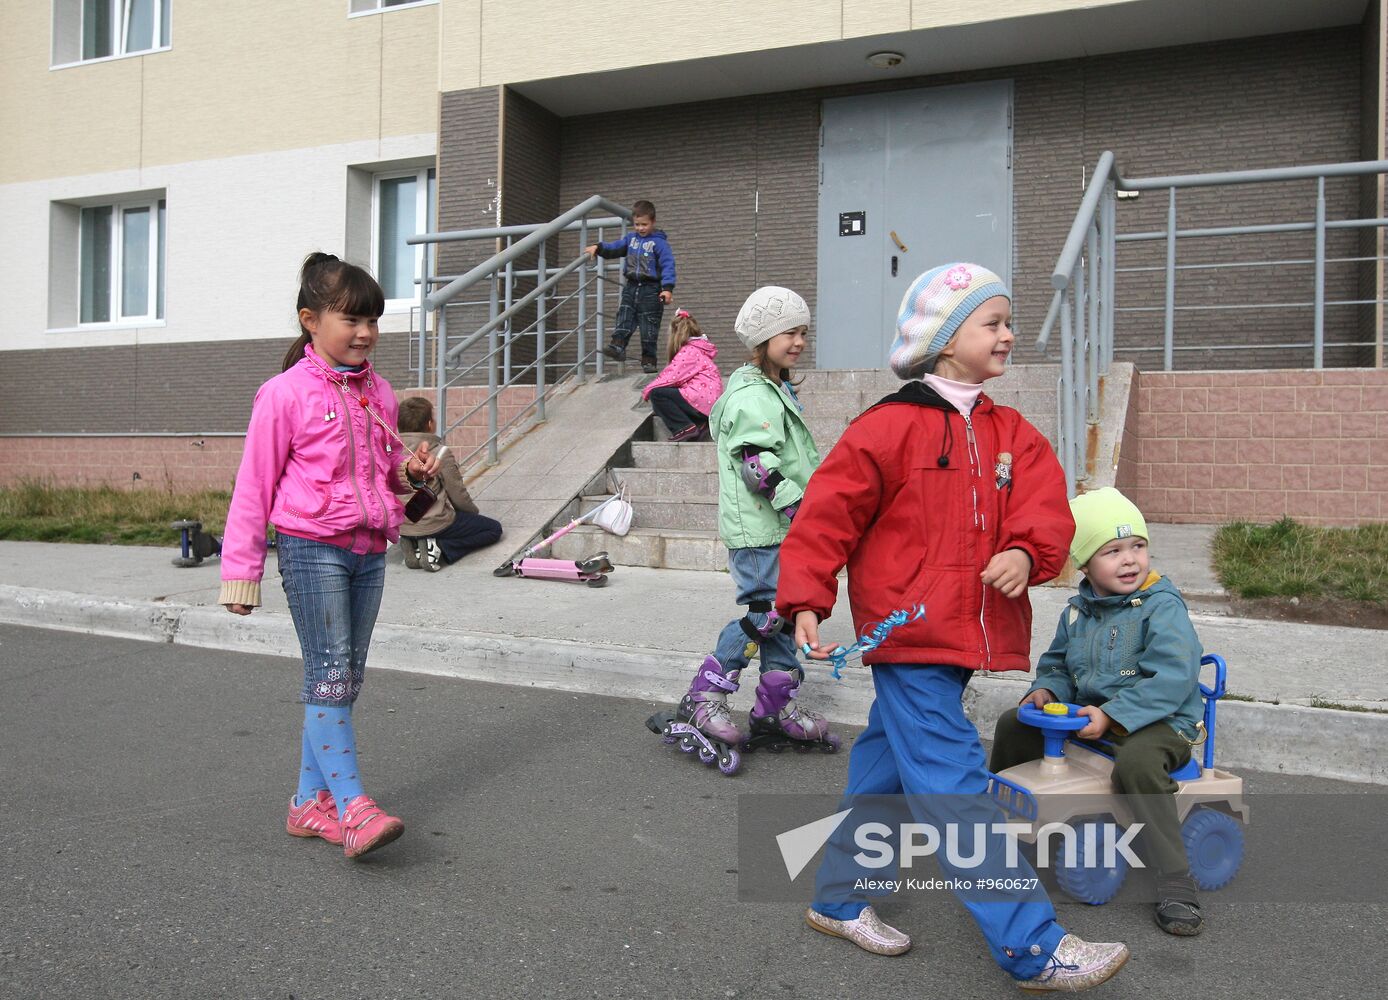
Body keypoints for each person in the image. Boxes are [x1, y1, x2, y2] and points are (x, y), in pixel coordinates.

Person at [778, 263, 1130, 991]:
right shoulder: (888, 426)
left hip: (960, 638)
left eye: (1006, 321)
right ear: (944, 340)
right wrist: (806, 597)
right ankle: (1032, 946)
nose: (1007, 334)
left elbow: (1046, 509)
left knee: (884, 775)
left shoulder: (1011, 433)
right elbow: (827, 514)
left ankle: (838, 900)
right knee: (958, 788)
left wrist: (1025, 552)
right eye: (991, 323)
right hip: (907, 637)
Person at [220, 252, 440, 860]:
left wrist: (411, 476)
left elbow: (381, 478)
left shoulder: (381, 394)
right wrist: (242, 574)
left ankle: (305, 804)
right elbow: (252, 486)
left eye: (374, 320)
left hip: (369, 550)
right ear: (310, 320)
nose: (366, 332)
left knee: (346, 678)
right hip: (309, 546)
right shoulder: (283, 394)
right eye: (352, 319)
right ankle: (353, 808)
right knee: (331, 675)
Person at [989, 486, 1207, 937]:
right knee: (1015, 723)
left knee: (1139, 762)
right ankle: (1003, 829)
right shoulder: (1077, 612)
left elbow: (1172, 678)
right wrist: (1045, 689)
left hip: (1160, 720)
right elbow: (1057, 664)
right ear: (1085, 565)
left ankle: (1175, 881)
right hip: (1095, 715)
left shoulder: (1161, 608)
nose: (1129, 560)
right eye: (1112, 551)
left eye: (1138, 546)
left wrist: (1115, 715)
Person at [662, 286, 838, 762]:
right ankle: (705, 694)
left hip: (780, 528)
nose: (799, 341)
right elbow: (757, 463)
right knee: (767, 616)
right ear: (762, 338)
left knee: (782, 623)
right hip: (761, 530)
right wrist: (799, 507)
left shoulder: (774, 388)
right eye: (788, 332)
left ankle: (775, 709)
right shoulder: (750, 394)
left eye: (804, 331)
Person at [396, 396, 503, 570]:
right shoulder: (439, 453)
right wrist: (472, 515)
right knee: (493, 529)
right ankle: (438, 547)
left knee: (419, 521)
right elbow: (458, 494)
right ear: (430, 424)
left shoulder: (392, 453)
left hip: (401, 524)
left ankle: (412, 542)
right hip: (433, 523)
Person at [584, 199, 676, 373]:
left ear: (653, 222)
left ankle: (649, 360)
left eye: (644, 224)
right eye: (637, 224)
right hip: (632, 286)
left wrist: (667, 288)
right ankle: (617, 346)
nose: (640, 228)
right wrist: (599, 247)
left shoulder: (660, 243)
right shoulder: (630, 239)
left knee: (649, 325)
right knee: (624, 315)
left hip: (651, 289)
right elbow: (616, 248)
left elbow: (667, 265)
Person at [640, 309, 722, 441]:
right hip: (708, 402)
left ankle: (683, 427)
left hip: (702, 399)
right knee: (673, 394)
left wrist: (648, 389)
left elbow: (671, 376)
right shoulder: (698, 349)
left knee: (657, 394)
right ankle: (700, 425)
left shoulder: (688, 351)